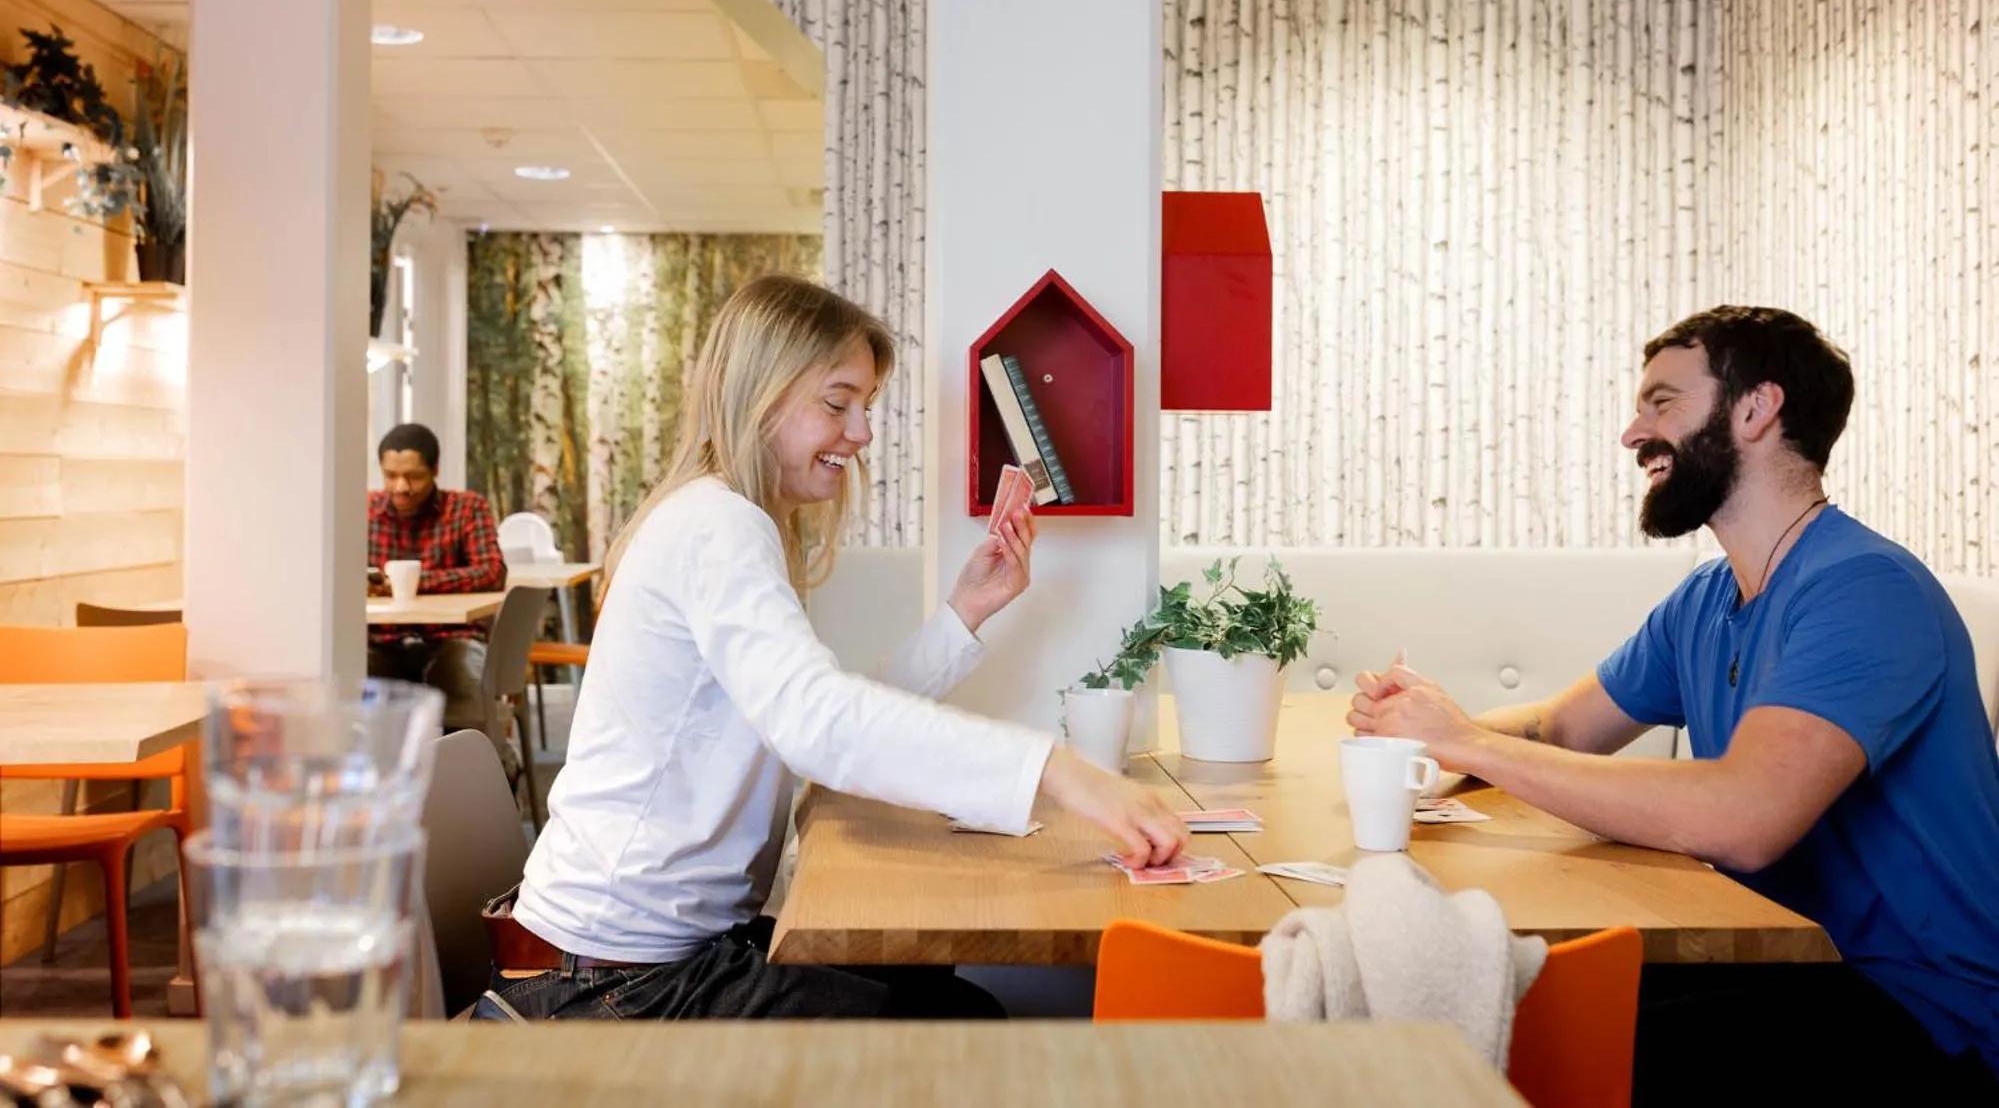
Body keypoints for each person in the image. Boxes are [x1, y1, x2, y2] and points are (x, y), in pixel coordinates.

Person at [489, 274, 1188, 1021]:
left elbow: (813, 715)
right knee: (962, 1025)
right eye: (837, 402)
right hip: (609, 980)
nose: (860, 434)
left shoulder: (724, 520)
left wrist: (966, 610)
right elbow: (819, 725)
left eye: (865, 407)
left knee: (940, 996)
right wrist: (1060, 770)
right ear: (755, 392)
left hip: (640, 955)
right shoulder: (716, 525)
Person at [1350, 306, 1999, 1098]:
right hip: (1784, 967)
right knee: (1514, 1010)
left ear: (1756, 409)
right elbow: (1560, 727)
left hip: (1922, 1015)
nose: (1632, 433)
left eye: (1661, 403)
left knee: (1546, 1048)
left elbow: (1745, 819)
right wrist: (1419, 729)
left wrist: (1467, 744)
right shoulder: (1705, 598)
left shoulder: (1864, 591)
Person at [366, 422, 512, 772]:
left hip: (453, 637)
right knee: (354, 680)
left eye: (413, 476)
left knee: (462, 673)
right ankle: (380, 788)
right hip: (383, 640)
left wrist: (414, 582)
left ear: (435, 470)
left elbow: (492, 571)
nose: (401, 487)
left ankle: (486, 777)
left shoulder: (466, 509)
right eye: (390, 476)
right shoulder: (364, 511)